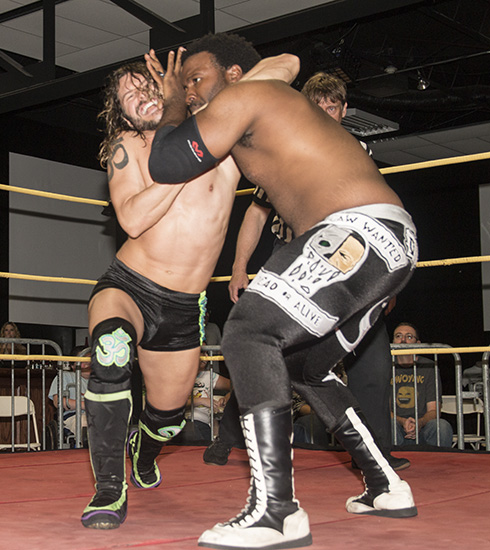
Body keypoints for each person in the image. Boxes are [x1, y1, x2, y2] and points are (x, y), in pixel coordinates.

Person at [147, 32, 418, 549]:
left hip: (354, 232)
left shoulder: (245, 96)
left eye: (197, 78)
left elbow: (166, 163)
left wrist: (173, 103)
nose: (191, 90)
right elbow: (289, 62)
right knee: (302, 367)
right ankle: (386, 484)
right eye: (186, 84)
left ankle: (276, 511)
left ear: (233, 75)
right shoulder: (265, 104)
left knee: (248, 332)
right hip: (388, 243)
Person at [80, 52, 299, 530]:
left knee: (168, 417)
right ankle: (108, 488)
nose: (140, 97)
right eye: (128, 97)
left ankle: (143, 450)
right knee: (111, 350)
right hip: (129, 285)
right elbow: (132, 218)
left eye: (145, 85)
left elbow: (287, 64)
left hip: (183, 305)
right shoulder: (129, 145)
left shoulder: (216, 131)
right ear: (123, 114)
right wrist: (182, 160)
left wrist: (202, 94)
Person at [209, 70, 407, 471]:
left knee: (371, 358)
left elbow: (380, 206)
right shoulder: (286, 148)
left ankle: (375, 454)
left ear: (344, 110)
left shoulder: (356, 150)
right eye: (317, 105)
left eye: (332, 106)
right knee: (270, 350)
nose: (325, 112)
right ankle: (229, 436)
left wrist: (387, 281)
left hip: (354, 255)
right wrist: (238, 267)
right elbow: (256, 213)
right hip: (299, 258)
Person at [391, 322, 453, 447]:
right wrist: (403, 422)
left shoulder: (428, 367)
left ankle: (439, 460)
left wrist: (419, 423)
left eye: (409, 336)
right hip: (396, 427)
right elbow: (383, 410)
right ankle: (390, 459)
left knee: (442, 426)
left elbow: (434, 410)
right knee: (387, 425)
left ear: (418, 343)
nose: (403, 340)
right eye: (398, 336)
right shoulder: (384, 367)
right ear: (393, 341)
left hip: (423, 428)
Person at [48, 345, 90, 444]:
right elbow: (58, 402)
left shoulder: (102, 380)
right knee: (85, 422)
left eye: (89, 360)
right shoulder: (65, 376)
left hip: (100, 414)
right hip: (74, 415)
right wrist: (86, 405)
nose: (88, 363)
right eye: (83, 361)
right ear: (73, 366)